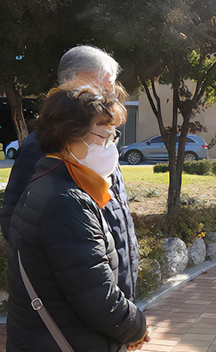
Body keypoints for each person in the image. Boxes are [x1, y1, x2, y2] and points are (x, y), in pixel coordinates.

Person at [6, 80, 149, 351]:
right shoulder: (67, 203)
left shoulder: (45, 183)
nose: (110, 146)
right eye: (104, 136)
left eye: (113, 136)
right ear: (69, 135)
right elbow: (97, 298)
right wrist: (136, 327)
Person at [0, 45, 139, 301]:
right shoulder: (41, 145)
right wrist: (77, 277)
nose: (112, 93)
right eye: (106, 84)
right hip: (82, 305)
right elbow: (16, 221)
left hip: (109, 298)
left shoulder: (101, 140)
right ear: (76, 80)